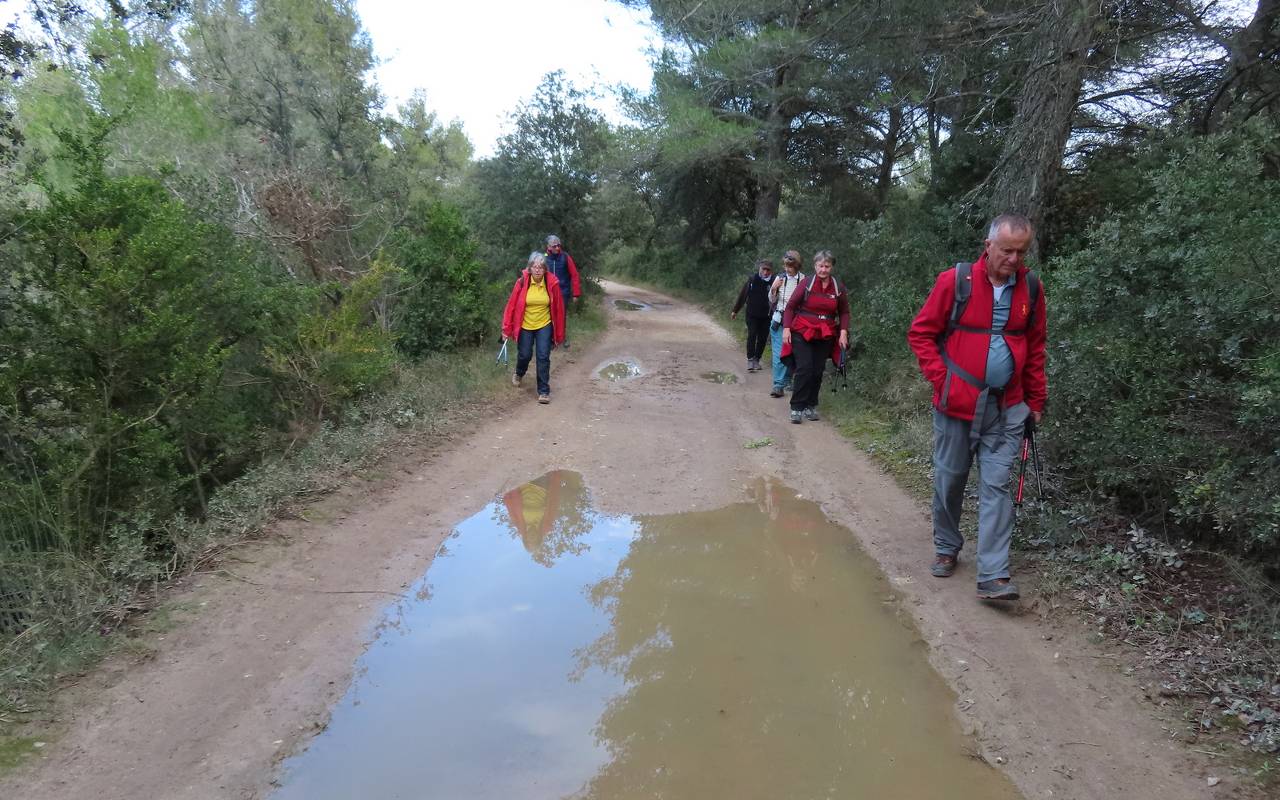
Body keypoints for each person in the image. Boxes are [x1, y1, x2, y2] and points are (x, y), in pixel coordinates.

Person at [906, 213, 1047, 601]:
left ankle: (993, 574)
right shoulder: (955, 281)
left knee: (997, 487)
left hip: (1008, 407)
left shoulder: (1031, 289)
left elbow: (1036, 348)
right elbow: (921, 333)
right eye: (1007, 250)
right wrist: (943, 380)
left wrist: (1035, 400)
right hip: (957, 405)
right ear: (988, 246)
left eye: (1021, 252)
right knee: (950, 479)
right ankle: (947, 546)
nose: (1014, 259)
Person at [781, 250, 849, 423]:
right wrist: (787, 329)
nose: (823, 269)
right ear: (815, 266)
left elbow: (844, 312)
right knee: (804, 368)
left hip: (825, 333)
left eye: (827, 266)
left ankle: (810, 405)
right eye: (820, 266)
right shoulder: (806, 283)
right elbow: (790, 307)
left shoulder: (837, 287)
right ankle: (796, 408)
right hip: (802, 330)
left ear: (831, 267)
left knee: (817, 371)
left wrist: (843, 332)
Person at [502, 251, 567, 404]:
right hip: (525, 324)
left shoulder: (552, 284)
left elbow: (559, 309)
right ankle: (519, 373)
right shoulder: (522, 282)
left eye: (541, 267)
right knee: (525, 355)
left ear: (545, 269)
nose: (537, 270)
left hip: (544, 325)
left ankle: (544, 391)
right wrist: (506, 329)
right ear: (529, 268)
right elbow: (511, 306)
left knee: (543, 356)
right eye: (534, 267)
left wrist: (559, 334)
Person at [767, 251, 805, 397]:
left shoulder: (804, 280)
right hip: (779, 320)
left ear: (797, 265)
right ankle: (778, 385)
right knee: (778, 355)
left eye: (790, 266)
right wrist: (774, 287)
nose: (787, 269)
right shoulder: (780, 278)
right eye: (785, 265)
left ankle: (787, 380)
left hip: (797, 322)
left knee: (794, 354)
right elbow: (771, 299)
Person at [731, 259, 775, 372]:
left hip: (767, 316)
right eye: (763, 269)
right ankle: (750, 360)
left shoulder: (774, 282)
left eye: (768, 270)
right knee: (752, 334)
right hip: (752, 314)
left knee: (762, 338)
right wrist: (735, 310)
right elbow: (743, 295)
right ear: (759, 268)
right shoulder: (752, 280)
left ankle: (757, 359)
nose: (765, 272)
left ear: (771, 271)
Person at [543, 235, 582, 349]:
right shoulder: (544, 258)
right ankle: (550, 340)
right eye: (554, 246)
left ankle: (562, 338)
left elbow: (574, 275)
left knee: (561, 315)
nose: (557, 248)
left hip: (562, 292)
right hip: (547, 292)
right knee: (548, 316)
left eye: (558, 245)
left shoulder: (565, 257)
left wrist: (576, 293)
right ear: (548, 247)